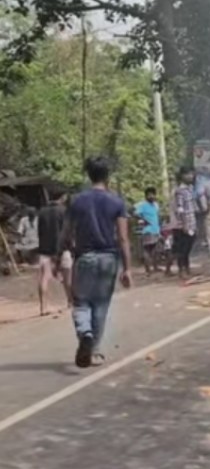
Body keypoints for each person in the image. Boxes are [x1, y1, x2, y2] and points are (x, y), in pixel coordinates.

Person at [63, 157, 132, 369]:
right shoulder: (116, 202)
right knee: (101, 305)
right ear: (107, 175)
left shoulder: (77, 201)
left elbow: (66, 232)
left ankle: (85, 333)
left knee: (81, 302)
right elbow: (122, 237)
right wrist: (128, 268)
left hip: (85, 257)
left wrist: (68, 250)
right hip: (109, 259)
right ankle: (94, 352)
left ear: (88, 174)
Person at [37, 191, 72, 316]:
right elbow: (68, 231)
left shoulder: (41, 212)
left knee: (44, 278)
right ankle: (70, 302)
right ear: (63, 197)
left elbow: (39, 232)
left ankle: (43, 307)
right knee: (67, 277)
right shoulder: (64, 211)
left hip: (45, 250)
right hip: (63, 249)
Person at [171, 166, 198, 279]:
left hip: (192, 222)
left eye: (192, 174)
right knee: (183, 248)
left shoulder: (190, 189)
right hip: (184, 224)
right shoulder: (180, 191)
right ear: (182, 176)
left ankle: (186, 268)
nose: (191, 176)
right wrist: (184, 224)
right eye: (188, 174)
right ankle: (182, 269)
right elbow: (180, 209)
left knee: (188, 247)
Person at [133, 187, 162, 274]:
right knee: (147, 250)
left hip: (156, 230)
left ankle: (155, 267)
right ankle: (148, 269)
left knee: (155, 250)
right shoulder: (143, 205)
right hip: (148, 230)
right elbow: (134, 213)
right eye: (149, 195)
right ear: (146, 196)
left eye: (153, 194)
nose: (151, 196)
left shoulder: (156, 205)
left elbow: (157, 216)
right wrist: (143, 220)